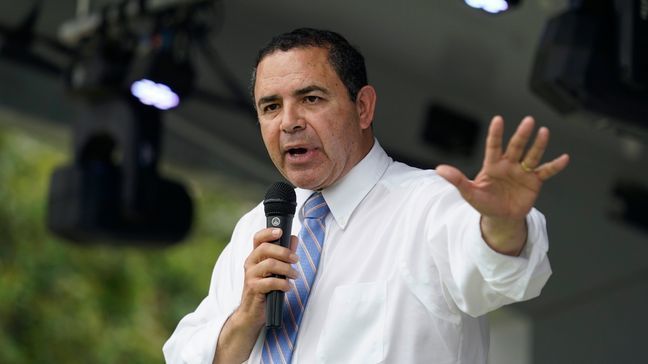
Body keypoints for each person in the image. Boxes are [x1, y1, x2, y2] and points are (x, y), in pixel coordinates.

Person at [163, 28, 570, 364]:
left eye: (310, 99)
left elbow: (499, 276)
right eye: (270, 107)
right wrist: (247, 316)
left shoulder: (427, 204)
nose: (288, 123)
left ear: (363, 107)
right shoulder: (257, 227)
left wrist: (501, 223)